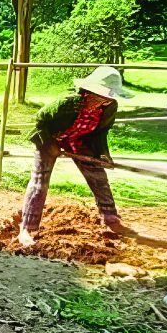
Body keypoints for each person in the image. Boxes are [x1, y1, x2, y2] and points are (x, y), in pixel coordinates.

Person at [19, 66, 129, 247]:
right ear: (90, 91)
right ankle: (28, 228)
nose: (107, 101)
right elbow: (41, 119)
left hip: (80, 140)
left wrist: (103, 154)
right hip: (50, 138)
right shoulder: (69, 102)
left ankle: (110, 219)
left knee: (98, 175)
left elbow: (100, 133)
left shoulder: (109, 108)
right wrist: (51, 145)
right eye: (103, 96)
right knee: (40, 180)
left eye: (109, 97)